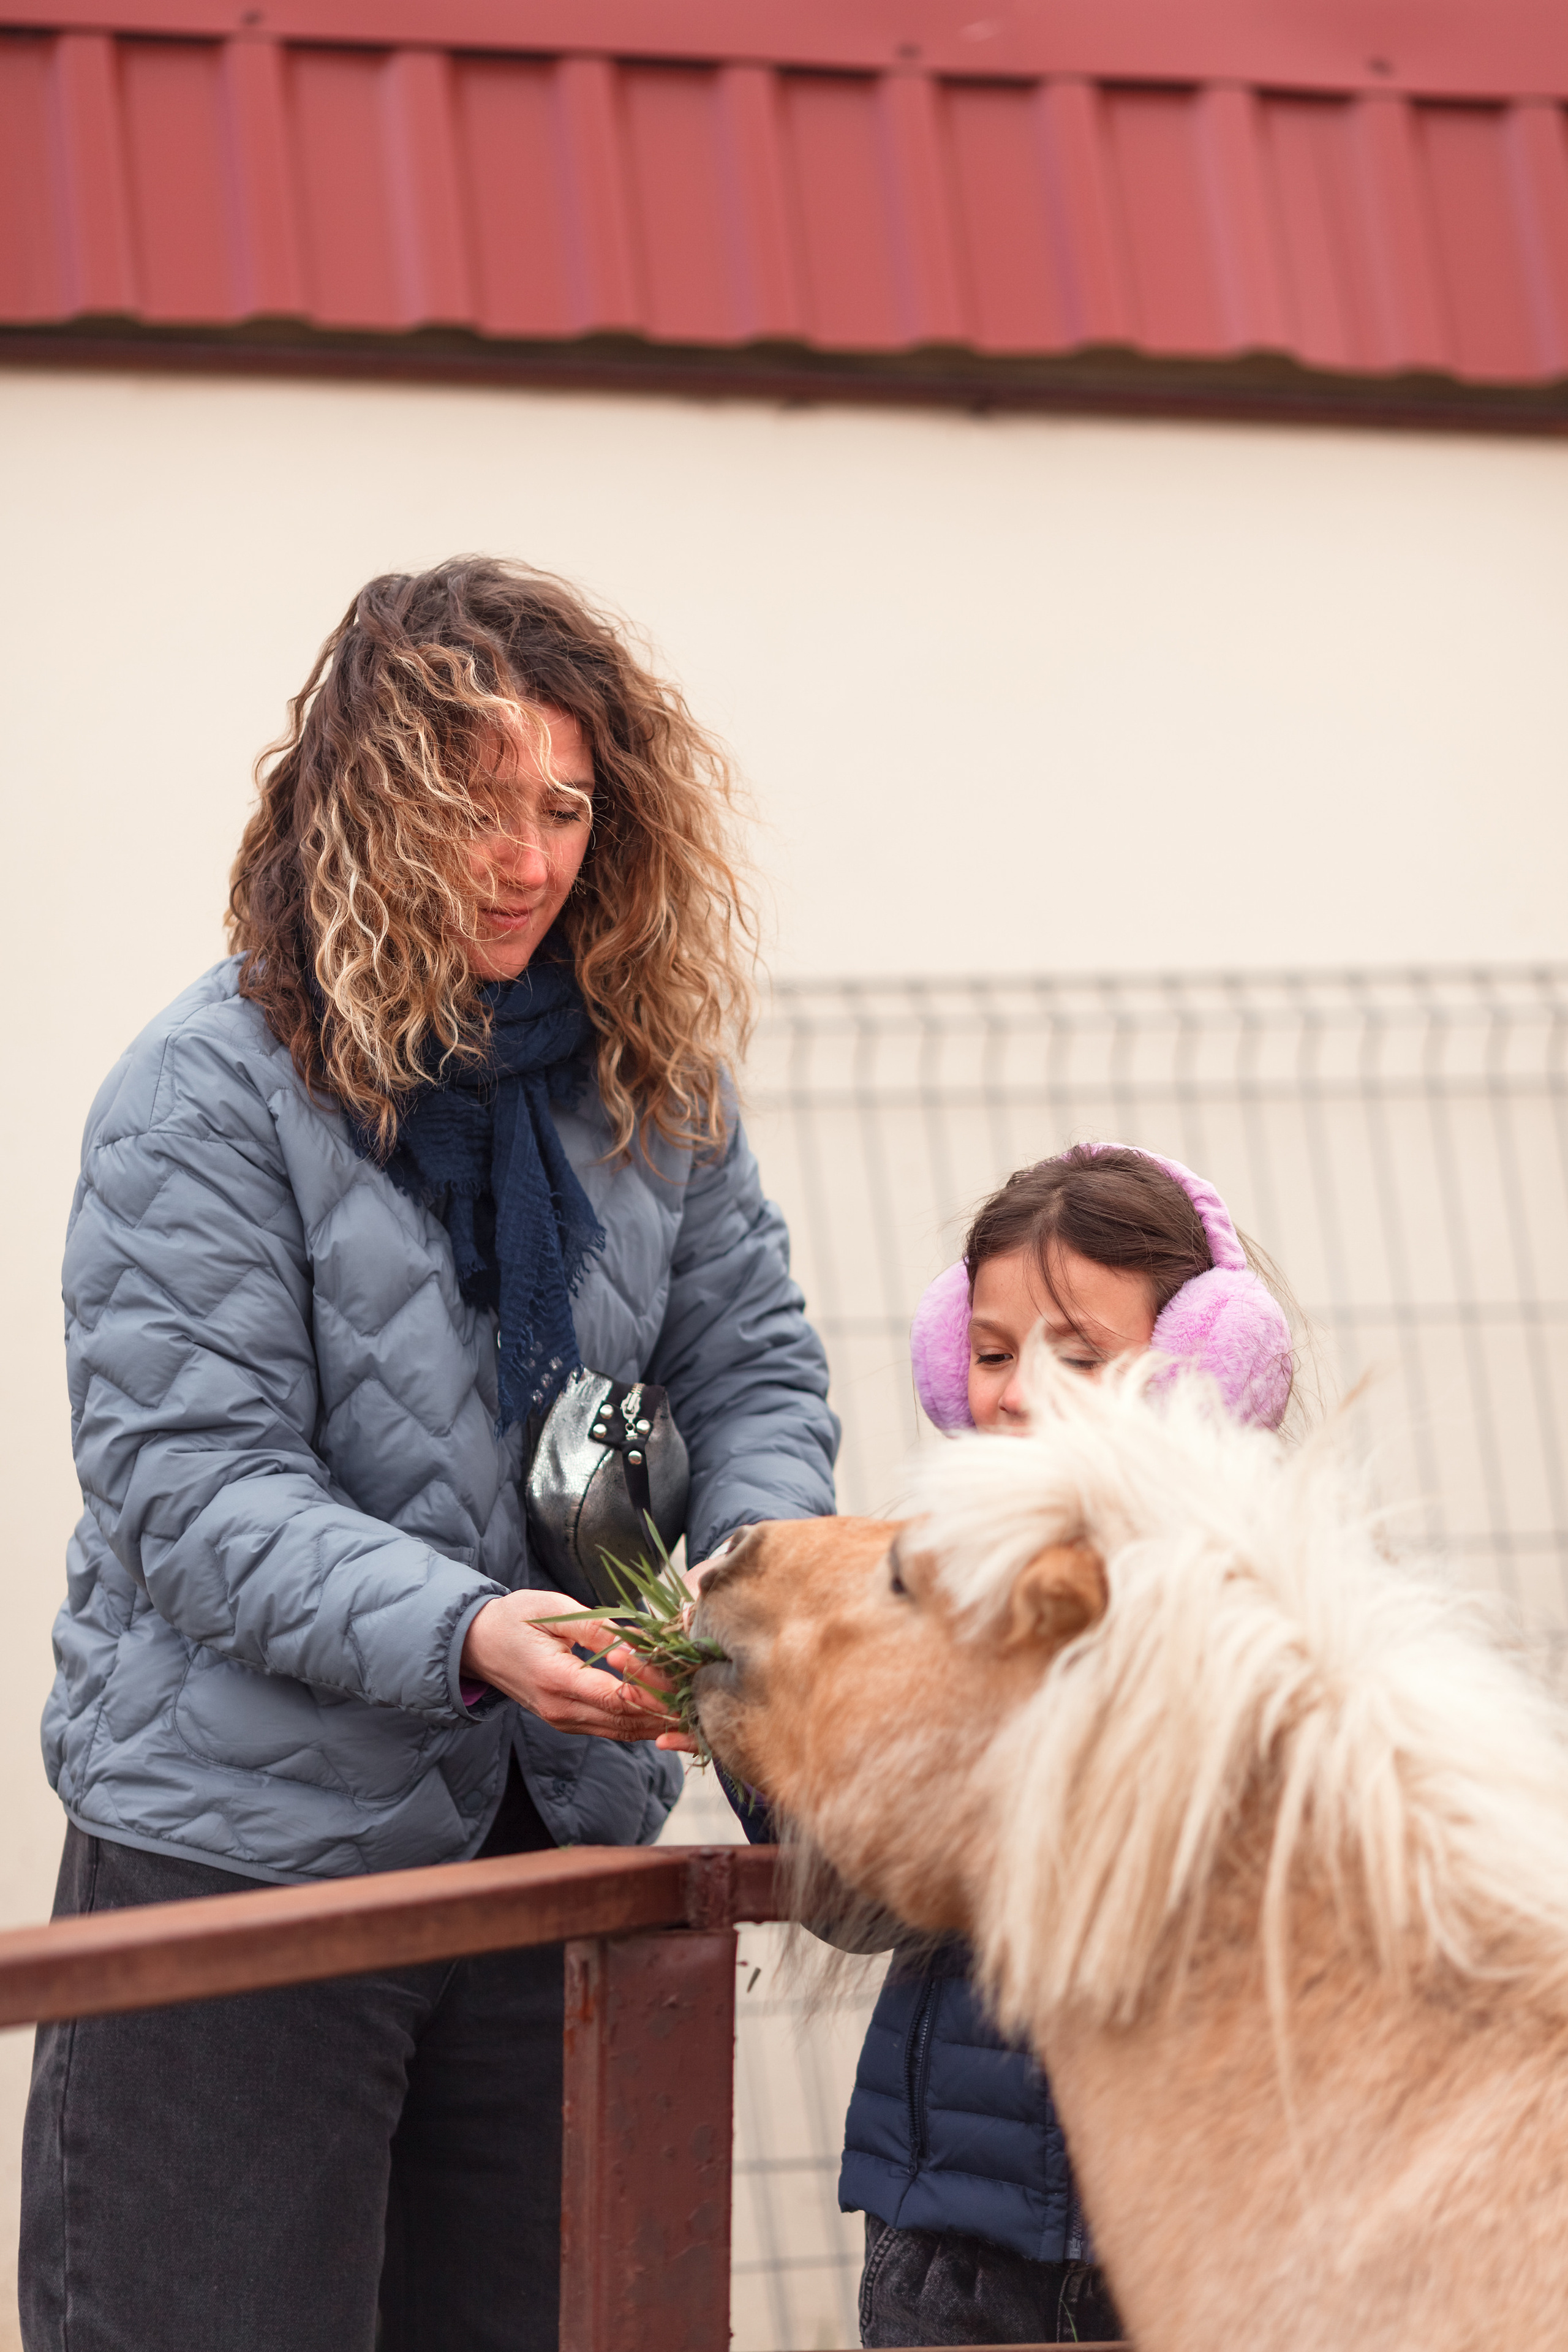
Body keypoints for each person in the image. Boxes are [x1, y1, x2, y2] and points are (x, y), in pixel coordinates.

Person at [20, 557, 838, 2352]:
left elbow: (757, 1368)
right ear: (362, 809)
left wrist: (744, 1582)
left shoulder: (651, 1084)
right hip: (247, 1881)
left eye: (565, 807)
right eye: (474, 807)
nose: (529, 861)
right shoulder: (206, 1091)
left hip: (555, 1860)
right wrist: (478, 1631)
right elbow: (197, 1492)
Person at [842, 1142, 1294, 2350]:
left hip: (1190, 2235)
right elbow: (851, 1871)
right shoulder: (930, 1591)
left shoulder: (1273, 1613)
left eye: (1078, 1357)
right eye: (988, 1355)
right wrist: (752, 1702)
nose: (1018, 1391)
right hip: (956, 2241)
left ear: (1206, 1365)